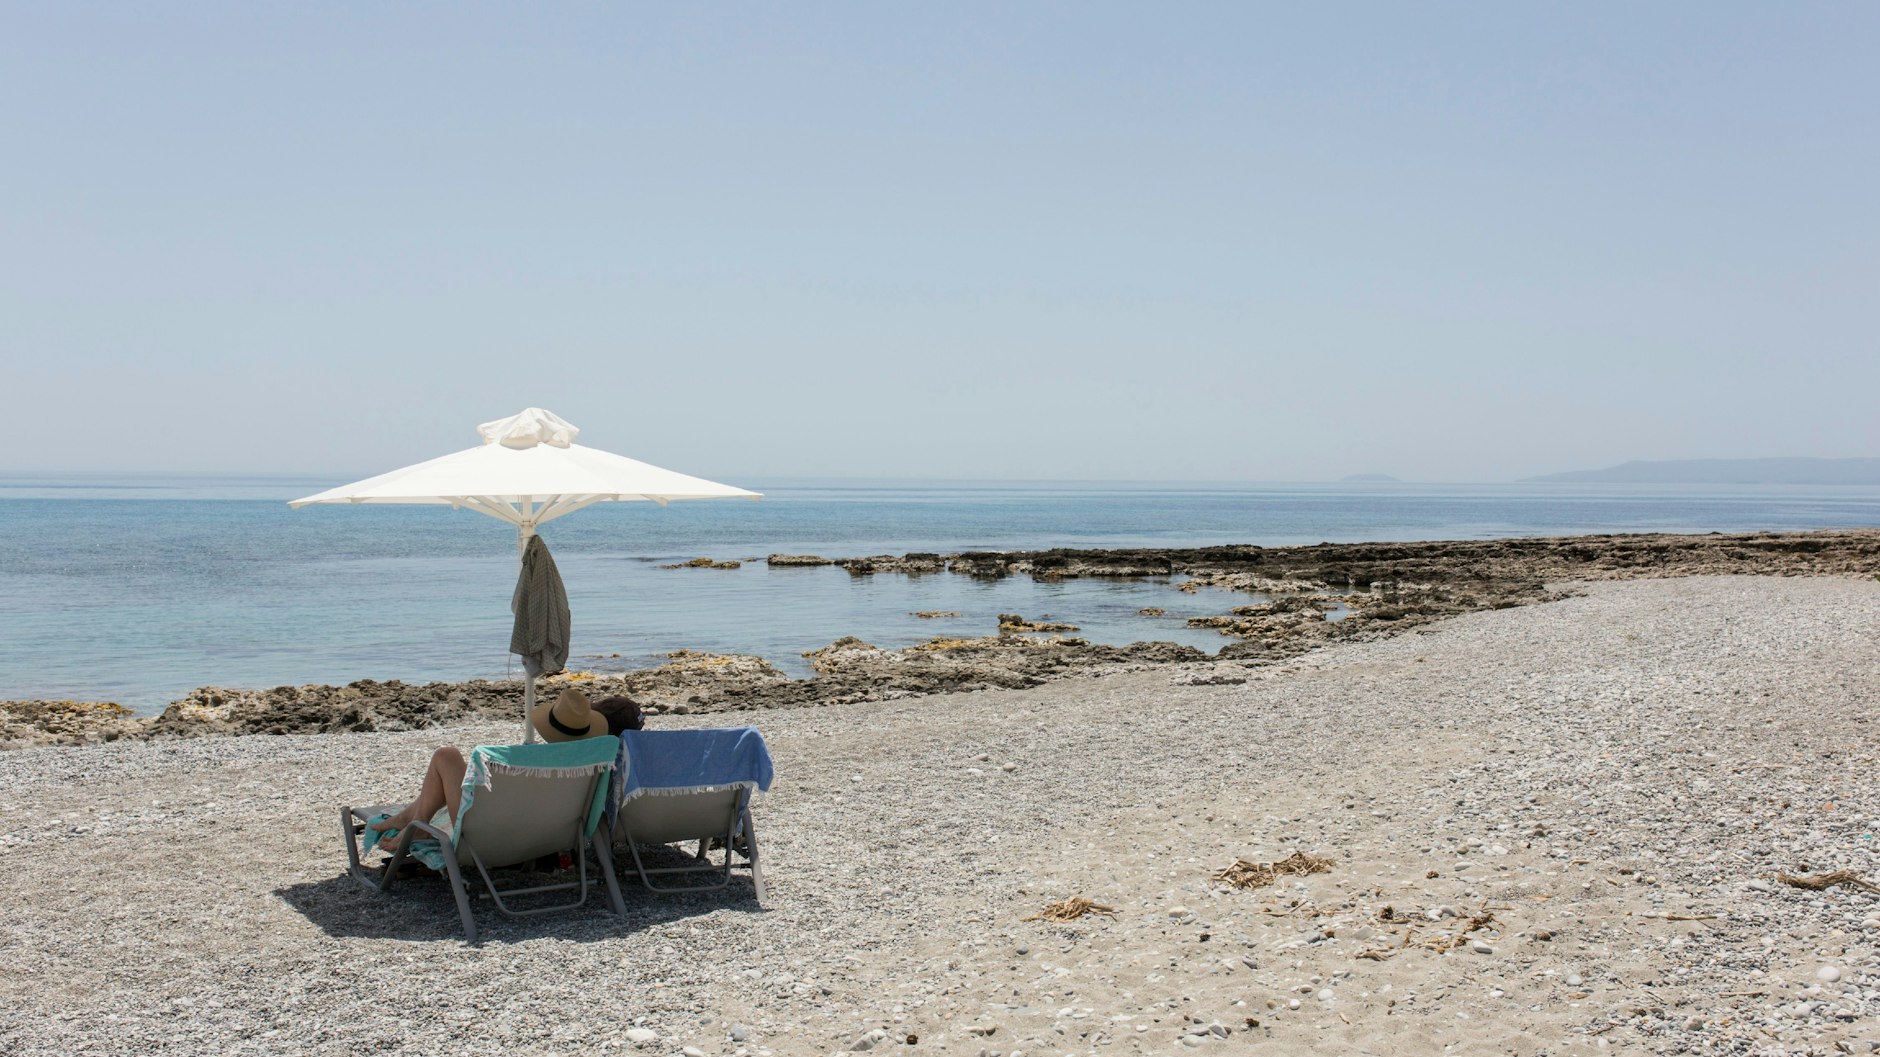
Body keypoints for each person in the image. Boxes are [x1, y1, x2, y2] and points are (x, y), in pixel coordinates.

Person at [364, 686, 612, 848]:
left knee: (446, 756)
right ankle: (410, 818)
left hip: (485, 839)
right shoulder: (591, 765)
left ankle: (415, 822)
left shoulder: (530, 760)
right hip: (548, 839)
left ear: (548, 724)